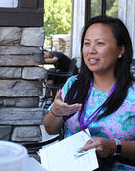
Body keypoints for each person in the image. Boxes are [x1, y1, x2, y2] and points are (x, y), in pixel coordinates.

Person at [43, 16, 135, 170]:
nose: (91, 50)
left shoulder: (131, 94)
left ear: (120, 50)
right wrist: (56, 112)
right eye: (87, 43)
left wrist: (115, 146)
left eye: (100, 43)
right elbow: (50, 129)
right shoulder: (74, 84)